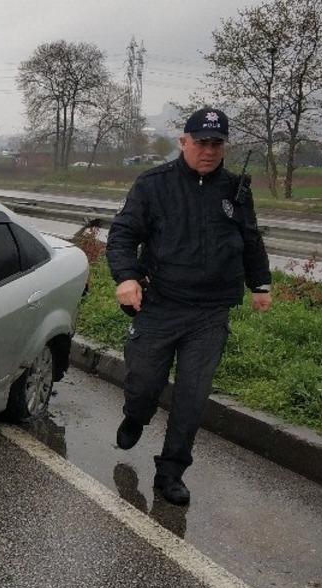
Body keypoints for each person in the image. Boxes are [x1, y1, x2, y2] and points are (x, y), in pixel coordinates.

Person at [105, 107, 271, 505]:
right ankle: (136, 414)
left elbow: (250, 239)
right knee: (144, 383)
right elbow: (123, 235)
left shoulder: (235, 191)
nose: (209, 150)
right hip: (160, 304)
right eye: (201, 142)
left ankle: (171, 471)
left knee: (193, 397)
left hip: (210, 313)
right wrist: (126, 277)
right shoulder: (153, 185)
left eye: (217, 143)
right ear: (184, 142)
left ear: (224, 146)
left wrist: (260, 283)